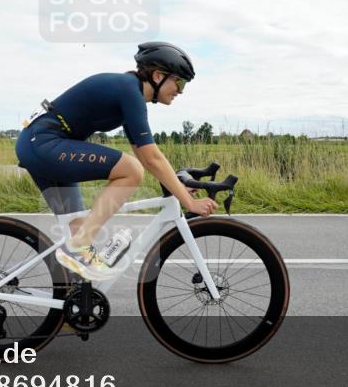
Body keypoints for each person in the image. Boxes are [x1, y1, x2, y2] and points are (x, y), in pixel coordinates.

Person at [15, 41, 218, 281]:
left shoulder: (128, 92)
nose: (180, 91)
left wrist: (177, 187)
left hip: (40, 145)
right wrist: (188, 202)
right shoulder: (129, 91)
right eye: (180, 83)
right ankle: (79, 246)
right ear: (158, 76)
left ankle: (74, 300)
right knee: (131, 170)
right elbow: (150, 158)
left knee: (78, 240)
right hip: (44, 143)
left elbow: (146, 154)